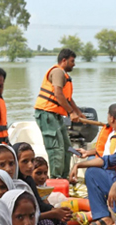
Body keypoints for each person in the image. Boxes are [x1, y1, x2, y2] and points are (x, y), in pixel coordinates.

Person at [13, 142, 73, 225]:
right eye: (25, 162)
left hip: (34, 216)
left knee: (62, 219)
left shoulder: (28, 180)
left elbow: (39, 205)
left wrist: (55, 210)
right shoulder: (15, 184)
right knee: (48, 224)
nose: (30, 165)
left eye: (32, 160)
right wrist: (53, 213)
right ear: (15, 162)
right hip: (23, 222)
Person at [34, 49, 84, 179]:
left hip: (56, 115)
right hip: (47, 114)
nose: (74, 64)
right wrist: (71, 113)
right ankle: (56, 180)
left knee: (67, 148)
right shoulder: (57, 72)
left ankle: (64, 178)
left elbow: (68, 98)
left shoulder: (64, 75)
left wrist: (78, 113)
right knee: (56, 149)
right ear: (64, 60)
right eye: (72, 61)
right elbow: (58, 94)